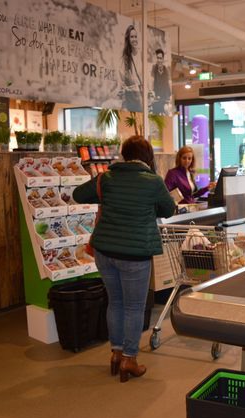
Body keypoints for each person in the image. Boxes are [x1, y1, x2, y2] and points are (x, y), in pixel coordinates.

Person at [73, 136, 175, 382]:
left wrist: (108, 198)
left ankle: (116, 354)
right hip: (135, 254)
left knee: (115, 303)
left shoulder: (107, 178)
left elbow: (78, 194)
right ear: (148, 157)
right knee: (133, 307)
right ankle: (130, 359)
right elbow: (169, 209)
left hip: (105, 251)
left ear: (124, 154)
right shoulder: (153, 181)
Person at [120, 25, 143, 112]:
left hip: (139, 94)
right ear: (128, 39)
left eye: (135, 36)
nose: (134, 39)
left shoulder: (141, 54)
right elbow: (122, 77)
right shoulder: (126, 57)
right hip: (131, 94)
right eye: (132, 37)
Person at [151, 48, 171, 115]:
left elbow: (169, 83)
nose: (159, 60)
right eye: (157, 58)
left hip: (165, 97)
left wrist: (169, 96)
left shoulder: (166, 69)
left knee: (166, 112)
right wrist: (152, 92)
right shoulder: (154, 68)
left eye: (160, 58)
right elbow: (151, 80)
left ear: (163, 59)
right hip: (156, 97)